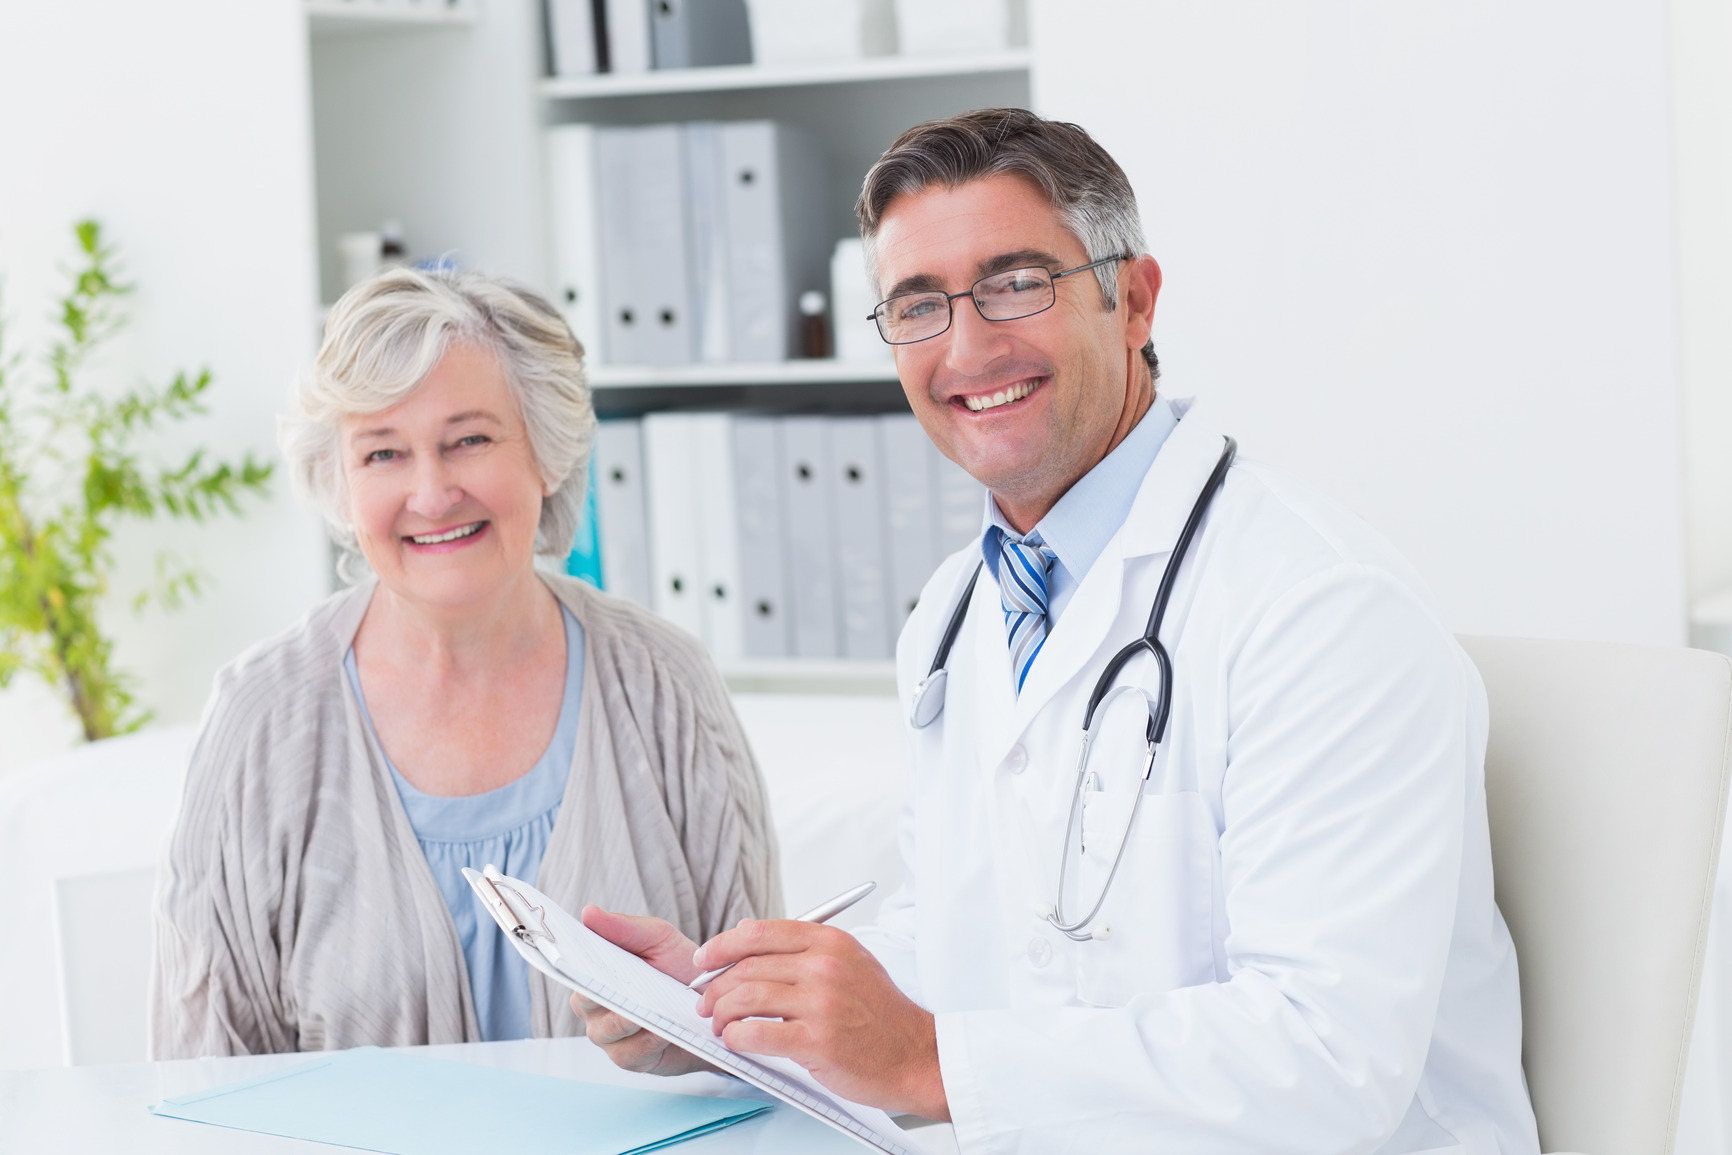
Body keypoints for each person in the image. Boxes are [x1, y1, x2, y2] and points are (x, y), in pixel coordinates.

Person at [570, 109, 1541, 1154]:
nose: (967, 346)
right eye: (918, 305)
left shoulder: (1317, 610)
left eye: (1016, 284)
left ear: (1133, 298)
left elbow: (1326, 1062)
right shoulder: (959, 610)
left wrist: (923, 1059)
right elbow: (981, 942)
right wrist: (738, 1014)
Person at [150, 268, 781, 1058]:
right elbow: (205, 1074)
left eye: (470, 439)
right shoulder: (261, 722)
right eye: (382, 453)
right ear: (341, 484)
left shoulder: (666, 684)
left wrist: (694, 1039)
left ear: (544, 453)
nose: (432, 491)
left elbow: (764, 1043)